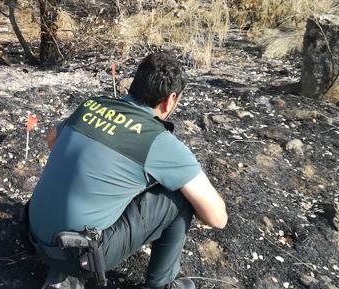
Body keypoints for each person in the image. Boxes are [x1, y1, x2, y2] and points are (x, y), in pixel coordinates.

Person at [28, 51, 228, 289]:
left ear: (134, 84)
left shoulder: (92, 104)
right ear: (170, 99)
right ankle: (161, 285)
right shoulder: (159, 141)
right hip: (79, 255)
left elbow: (52, 141)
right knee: (181, 198)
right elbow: (217, 218)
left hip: (34, 235)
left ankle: (64, 275)